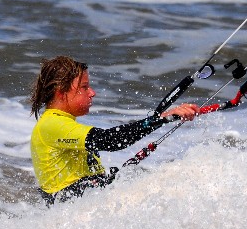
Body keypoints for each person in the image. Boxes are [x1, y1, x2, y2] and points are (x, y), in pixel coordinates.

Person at [29, 56, 199, 204]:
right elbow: (110, 140)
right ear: (61, 93)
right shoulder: (51, 125)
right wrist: (162, 119)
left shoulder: (62, 123)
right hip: (73, 213)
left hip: (83, 209)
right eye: (84, 87)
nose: (92, 93)